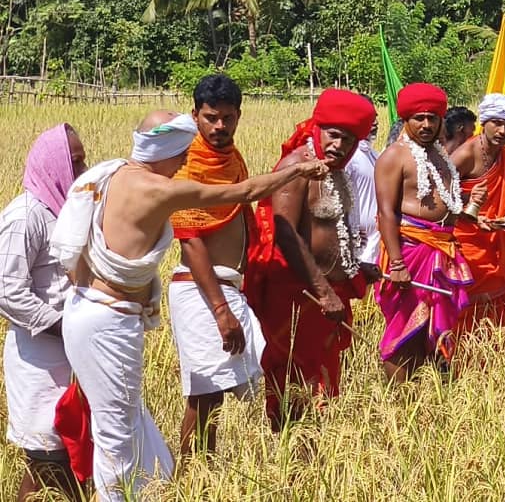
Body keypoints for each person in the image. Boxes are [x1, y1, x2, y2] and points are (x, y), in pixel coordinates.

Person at [50, 110, 327, 501]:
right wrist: (297, 171)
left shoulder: (111, 174)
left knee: (127, 425)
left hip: (87, 312)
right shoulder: (159, 190)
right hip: (107, 322)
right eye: (181, 154)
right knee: (116, 435)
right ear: (163, 150)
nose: (185, 162)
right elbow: (244, 193)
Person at [243, 89, 380, 432]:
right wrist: (323, 291)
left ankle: (312, 458)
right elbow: (285, 233)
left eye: (348, 140)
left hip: (324, 294)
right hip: (298, 295)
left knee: (320, 385)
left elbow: (332, 232)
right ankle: (295, 457)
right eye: (333, 135)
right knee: (299, 383)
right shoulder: (296, 166)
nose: (339, 145)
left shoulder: (336, 171)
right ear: (318, 128)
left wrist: (354, 268)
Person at [165, 75, 265, 458]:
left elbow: (244, 213)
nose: (219, 126)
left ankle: (203, 474)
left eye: (227, 117)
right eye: (210, 118)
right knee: (204, 393)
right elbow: (191, 242)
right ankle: (192, 478)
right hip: (200, 289)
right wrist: (221, 310)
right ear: (195, 116)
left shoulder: (233, 159)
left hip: (230, 286)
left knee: (216, 394)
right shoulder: (186, 167)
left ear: (239, 116)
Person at [1, 124, 87, 501]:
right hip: (39, 358)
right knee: (45, 460)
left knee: (71, 457)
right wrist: (62, 325)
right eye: (76, 162)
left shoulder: (69, 213)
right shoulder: (25, 215)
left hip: (73, 354)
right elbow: (6, 290)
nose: (84, 170)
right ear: (53, 164)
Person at [374, 83, 475, 383]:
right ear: (405, 119)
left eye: (433, 117)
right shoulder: (395, 156)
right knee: (407, 330)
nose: (427, 124)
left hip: (442, 249)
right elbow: (386, 213)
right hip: (410, 250)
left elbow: (449, 202)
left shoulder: (440, 155)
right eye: (419, 118)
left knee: (434, 327)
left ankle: (430, 396)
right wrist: (397, 263)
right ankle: (400, 402)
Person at [452, 93, 505, 332]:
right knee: (465, 306)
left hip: (496, 239)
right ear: (484, 122)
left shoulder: (503, 152)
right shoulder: (465, 154)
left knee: (497, 309)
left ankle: (490, 358)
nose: (502, 130)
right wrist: (471, 214)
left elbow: (496, 199)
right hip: (467, 243)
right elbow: (437, 197)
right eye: (497, 123)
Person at [345, 96, 382, 263]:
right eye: (369, 119)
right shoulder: (347, 156)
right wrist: (346, 230)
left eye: (375, 118)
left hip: (375, 243)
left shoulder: (375, 156)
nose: (375, 123)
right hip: (353, 245)